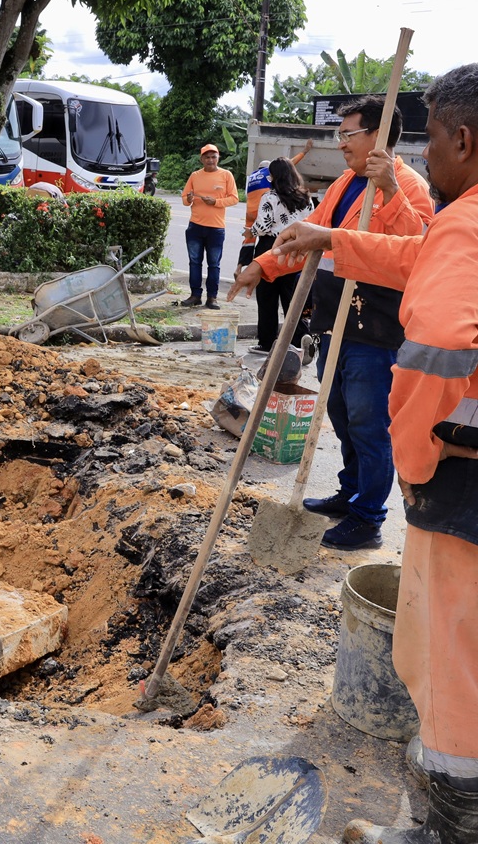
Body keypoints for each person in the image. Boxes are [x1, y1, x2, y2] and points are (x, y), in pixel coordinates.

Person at [271, 60, 478, 844]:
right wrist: (334, 238)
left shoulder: (473, 223)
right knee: (474, 657)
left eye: (433, 141)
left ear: (465, 138)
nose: (424, 157)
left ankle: (453, 826)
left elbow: (437, 352)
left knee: (456, 683)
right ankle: (450, 776)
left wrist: (414, 465)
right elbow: (430, 260)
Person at [229, 95, 434, 550]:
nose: (340, 143)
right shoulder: (344, 182)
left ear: (378, 135)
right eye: (339, 135)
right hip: (334, 322)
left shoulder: (408, 186)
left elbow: (418, 248)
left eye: (348, 134)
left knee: (369, 424)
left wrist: (391, 191)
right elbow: (308, 237)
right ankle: (350, 492)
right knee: (341, 415)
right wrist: (262, 265)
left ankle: (368, 517)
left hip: (375, 328)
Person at [248, 156, 313, 355]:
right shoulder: (306, 198)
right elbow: (311, 223)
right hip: (296, 249)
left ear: (274, 176)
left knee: (267, 298)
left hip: (271, 248)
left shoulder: (270, 197)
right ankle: (299, 340)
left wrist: (250, 231)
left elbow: (263, 226)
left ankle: (267, 343)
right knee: (292, 298)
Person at [180, 143, 238, 309]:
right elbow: (185, 199)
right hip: (195, 227)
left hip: (216, 229)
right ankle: (195, 295)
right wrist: (189, 199)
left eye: (213, 157)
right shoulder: (195, 176)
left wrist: (216, 202)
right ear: (202, 159)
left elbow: (234, 198)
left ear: (218, 158)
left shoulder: (226, 175)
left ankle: (212, 297)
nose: (210, 160)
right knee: (194, 262)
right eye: (207, 157)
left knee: (214, 265)